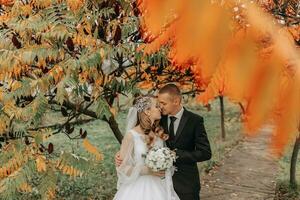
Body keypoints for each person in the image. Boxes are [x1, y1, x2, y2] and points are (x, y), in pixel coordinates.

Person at [115, 84, 212, 200]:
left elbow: (205, 152)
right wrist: (121, 156)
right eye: (158, 104)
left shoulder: (195, 121)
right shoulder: (159, 120)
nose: (160, 107)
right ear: (147, 111)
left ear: (176, 101)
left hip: (185, 182)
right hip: (157, 184)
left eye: (163, 103)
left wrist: (176, 155)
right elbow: (138, 143)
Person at [113, 95, 180, 200]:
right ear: (147, 111)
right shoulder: (131, 135)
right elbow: (122, 168)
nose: (160, 108)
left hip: (158, 185)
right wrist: (146, 170)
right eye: (157, 106)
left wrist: (165, 161)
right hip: (137, 189)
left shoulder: (158, 134)